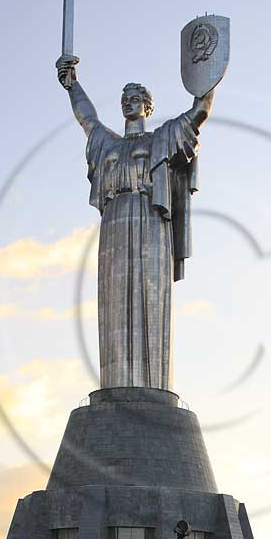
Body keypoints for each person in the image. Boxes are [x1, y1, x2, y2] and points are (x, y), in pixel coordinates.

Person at [56, 55, 214, 390]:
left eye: (136, 100)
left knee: (149, 293)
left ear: (148, 107)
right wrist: (72, 85)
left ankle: (151, 386)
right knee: (115, 302)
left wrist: (208, 80)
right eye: (125, 100)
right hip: (114, 220)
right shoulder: (107, 142)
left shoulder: (160, 138)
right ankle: (116, 386)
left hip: (150, 215)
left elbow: (198, 113)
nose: (129, 104)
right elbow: (86, 118)